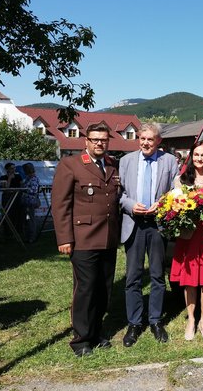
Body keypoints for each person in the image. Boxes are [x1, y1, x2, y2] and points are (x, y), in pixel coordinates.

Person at [51, 123, 121, 357]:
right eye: (95, 139)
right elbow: (60, 205)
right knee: (86, 289)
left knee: (104, 289)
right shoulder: (70, 165)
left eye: (103, 139)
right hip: (83, 239)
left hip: (108, 238)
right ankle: (81, 339)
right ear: (86, 141)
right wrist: (64, 238)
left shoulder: (112, 164)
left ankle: (96, 331)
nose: (100, 143)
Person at [120, 123, 179, 345]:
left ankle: (155, 320)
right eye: (142, 138)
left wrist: (162, 203)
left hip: (157, 226)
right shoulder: (126, 161)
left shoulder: (169, 161)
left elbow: (175, 191)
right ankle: (134, 323)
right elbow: (120, 194)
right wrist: (130, 205)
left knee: (157, 276)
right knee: (133, 277)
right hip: (134, 224)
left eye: (150, 139)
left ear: (158, 141)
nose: (145, 143)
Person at [169, 141, 203, 341]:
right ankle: (191, 319)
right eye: (197, 155)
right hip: (189, 238)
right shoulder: (182, 180)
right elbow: (174, 207)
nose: (200, 158)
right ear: (191, 156)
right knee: (190, 281)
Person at [0, 162, 24, 238]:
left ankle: (18, 232)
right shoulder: (3, 177)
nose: (13, 170)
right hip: (7, 198)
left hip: (17, 198)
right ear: (7, 169)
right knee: (7, 215)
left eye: (14, 168)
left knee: (18, 214)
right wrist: (9, 178)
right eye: (11, 168)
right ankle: (7, 233)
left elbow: (22, 186)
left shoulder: (18, 176)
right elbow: (4, 188)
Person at [21, 162, 41, 243]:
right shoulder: (28, 178)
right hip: (26, 202)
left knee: (30, 220)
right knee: (26, 220)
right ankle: (27, 236)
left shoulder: (34, 179)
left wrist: (23, 188)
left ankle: (32, 238)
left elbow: (33, 190)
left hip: (30, 202)